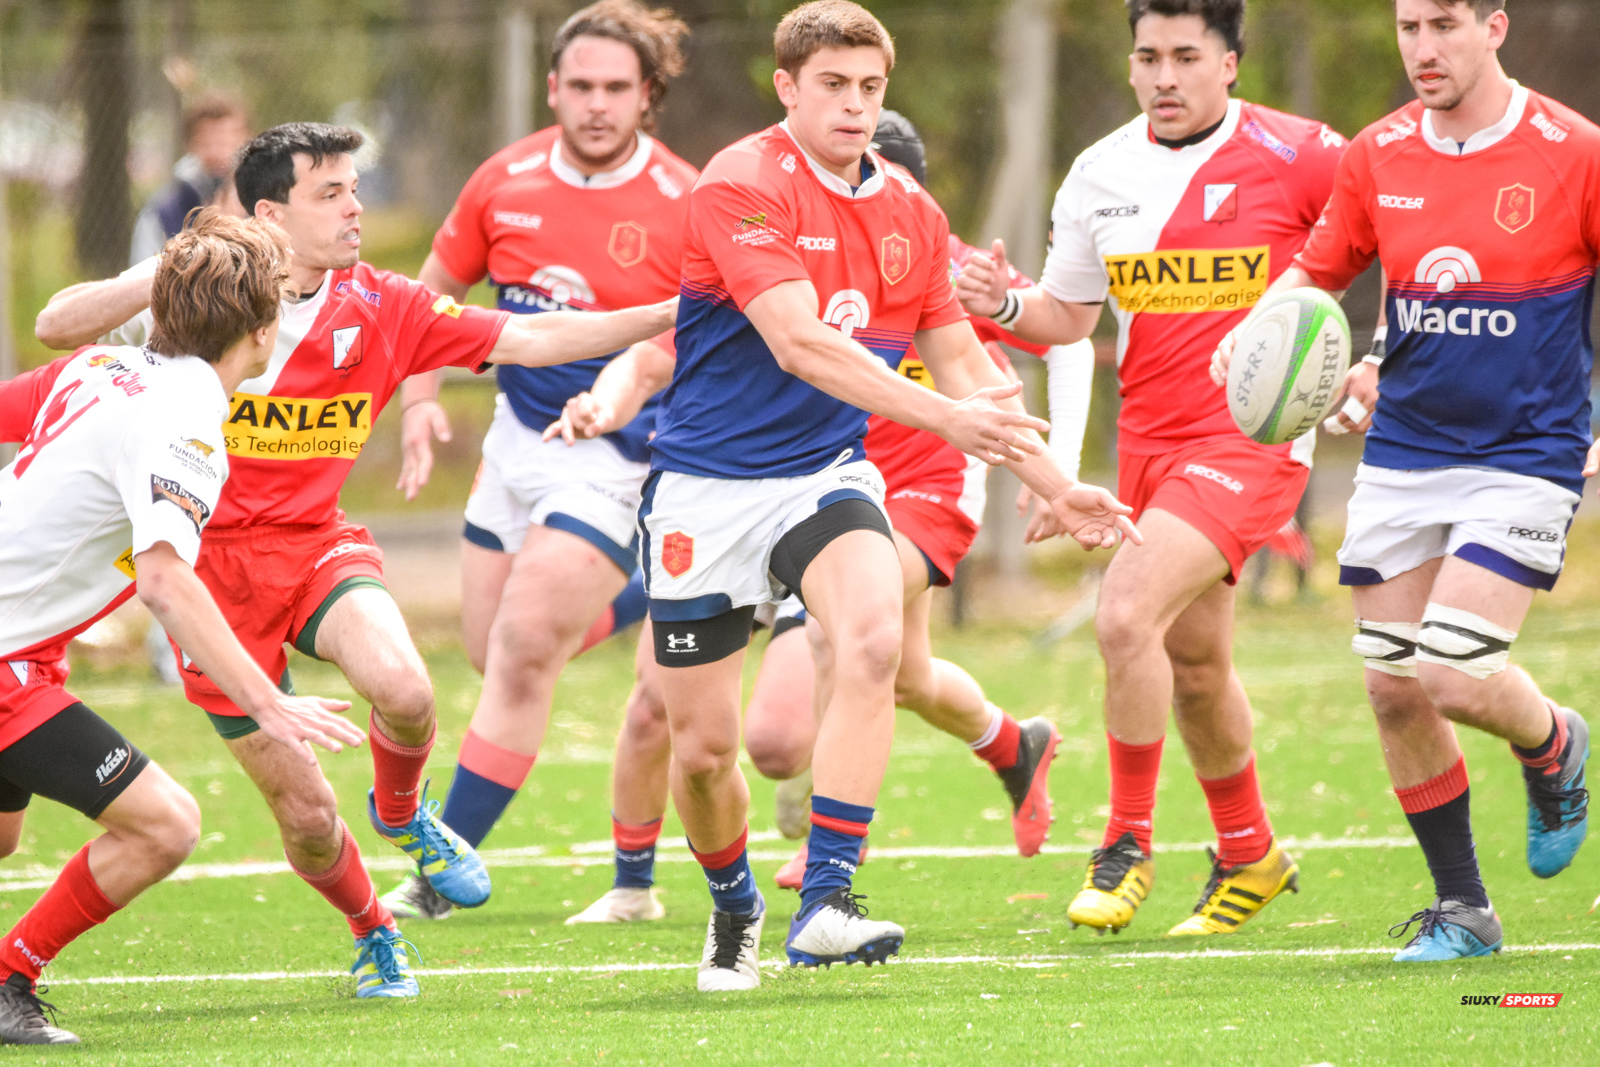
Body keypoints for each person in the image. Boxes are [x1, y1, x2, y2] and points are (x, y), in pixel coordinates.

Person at [32, 123, 676, 998]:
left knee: (408, 692)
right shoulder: (199, 301)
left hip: (316, 548)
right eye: (330, 193)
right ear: (269, 213)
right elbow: (53, 327)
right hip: (210, 584)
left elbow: (537, 339)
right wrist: (163, 272)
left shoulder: (388, 305)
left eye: (355, 188)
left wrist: (677, 310)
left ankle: (406, 813)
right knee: (307, 821)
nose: (355, 207)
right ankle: (374, 927)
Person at [643, 0, 1135, 992]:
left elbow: (964, 363)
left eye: (870, 88)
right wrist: (948, 421)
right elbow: (798, 341)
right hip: (707, 487)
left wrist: (1057, 485)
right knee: (703, 752)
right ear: (786, 87)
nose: (854, 107)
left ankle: (825, 898)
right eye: (832, 85)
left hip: (824, 477)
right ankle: (736, 902)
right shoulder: (740, 185)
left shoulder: (910, 210)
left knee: (870, 639)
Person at [554, 111, 1097, 923]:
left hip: (903, 487)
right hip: (740, 484)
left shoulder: (925, 246)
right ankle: (1010, 742)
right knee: (854, 688)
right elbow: (670, 351)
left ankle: (831, 879)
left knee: (850, 648)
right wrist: (607, 401)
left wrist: (1058, 476)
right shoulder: (763, 226)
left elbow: (1016, 353)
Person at [1212, 0, 1596, 962]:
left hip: (1528, 448)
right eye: (1408, 27)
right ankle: (1464, 909)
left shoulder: (1575, 151)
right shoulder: (1378, 153)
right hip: (1406, 448)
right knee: (1393, 687)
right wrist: (1260, 336)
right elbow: (1319, 273)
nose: (1423, 49)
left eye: (1445, 26)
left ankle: (1552, 740)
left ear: (1496, 26)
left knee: (1452, 669)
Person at [956, 0, 1345, 937]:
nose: (1163, 77)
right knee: (1197, 663)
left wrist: (1362, 361)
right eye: (1146, 57)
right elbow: (1068, 318)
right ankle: (1249, 852)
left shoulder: (1306, 154)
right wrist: (1002, 301)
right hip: (1150, 444)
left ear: (1231, 64)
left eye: (1184, 56)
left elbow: (1385, 239)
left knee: (1125, 612)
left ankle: (1126, 841)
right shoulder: (1101, 172)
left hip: (1251, 441)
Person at [0, 212, 360, 1043]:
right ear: (263, 330)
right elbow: (165, 580)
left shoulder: (104, 365)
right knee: (166, 823)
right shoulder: (186, 412)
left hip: (28, 654)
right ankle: (9, 978)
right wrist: (267, 699)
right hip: (9, 663)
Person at [378, 0, 697, 923]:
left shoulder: (685, 199)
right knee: (491, 654)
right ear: (553, 87)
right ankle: (642, 594)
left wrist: (624, 397)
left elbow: (705, 338)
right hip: (515, 447)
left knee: (520, 653)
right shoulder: (503, 180)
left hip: (615, 457)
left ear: (649, 97)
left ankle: (441, 874)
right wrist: (423, 400)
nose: (597, 105)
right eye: (582, 86)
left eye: (617, 89)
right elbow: (428, 298)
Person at [130, 96, 252, 265]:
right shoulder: (162, 214)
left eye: (225, 142)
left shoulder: (265, 206)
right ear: (191, 145)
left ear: (245, 142)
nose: (216, 153)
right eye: (207, 143)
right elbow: (142, 276)